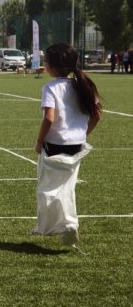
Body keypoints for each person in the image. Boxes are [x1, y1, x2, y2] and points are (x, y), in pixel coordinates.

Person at [31, 43, 102, 248]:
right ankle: (54, 225)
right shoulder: (83, 85)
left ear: (52, 66)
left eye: (45, 62)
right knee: (67, 187)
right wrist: (82, 134)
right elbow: (97, 115)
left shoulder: (51, 88)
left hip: (54, 145)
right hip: (77, 146)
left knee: (47, 190)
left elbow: (49, 119)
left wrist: (39, 142)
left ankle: (64, 225)